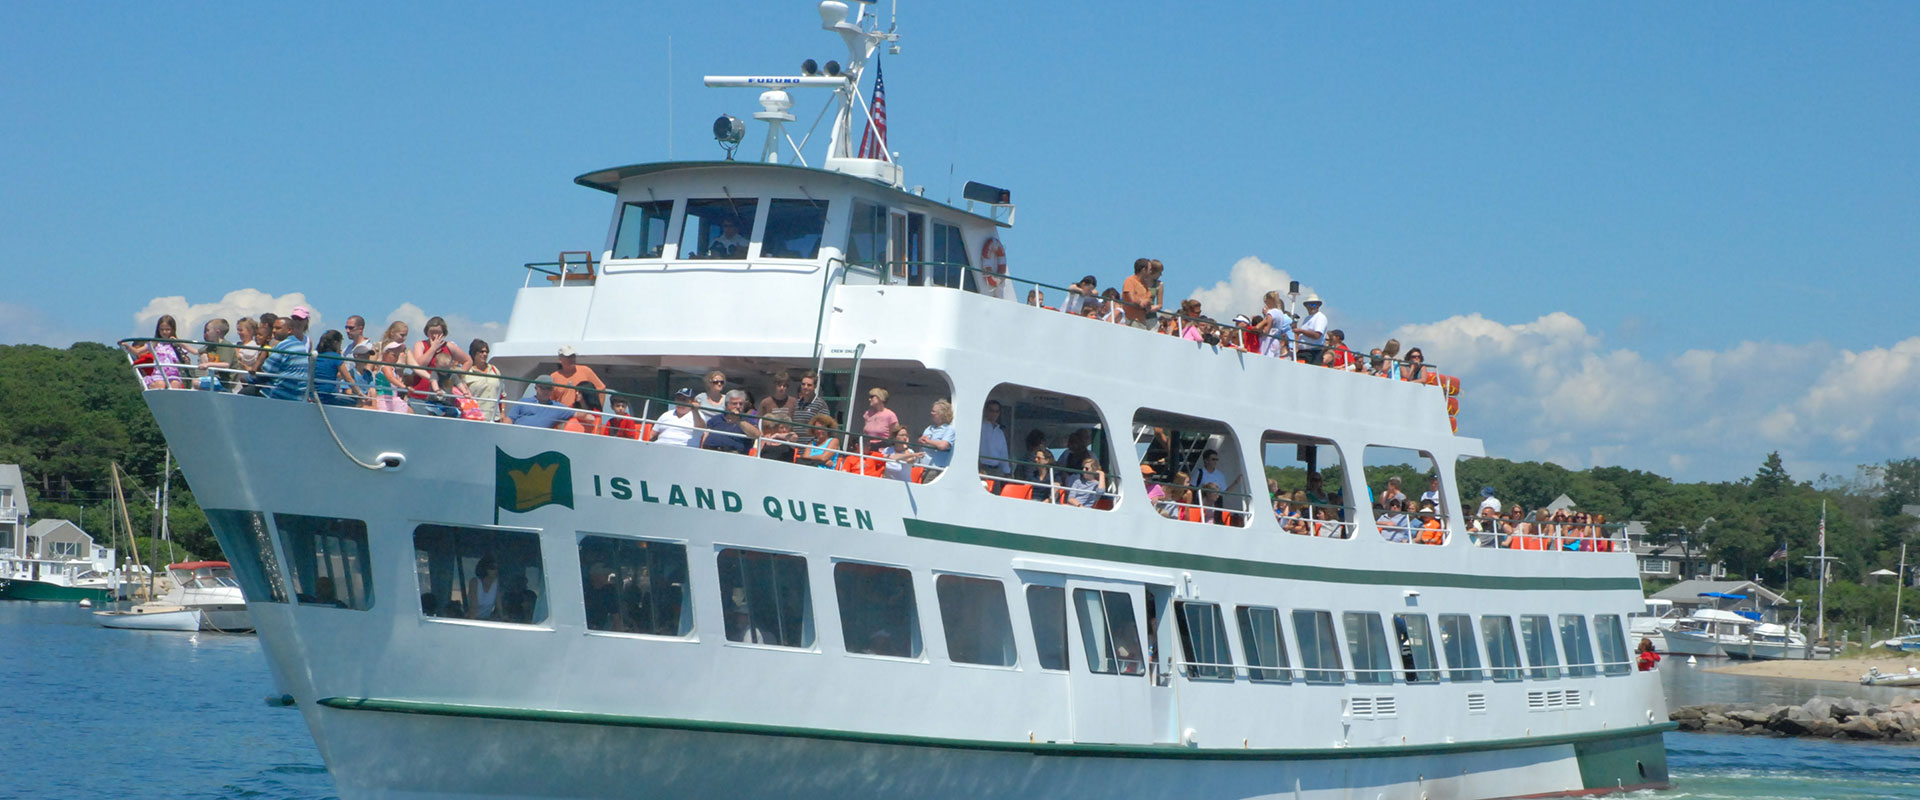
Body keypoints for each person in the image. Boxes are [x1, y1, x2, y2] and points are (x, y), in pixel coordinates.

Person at [261, 307, 314, 401]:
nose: (297, 321)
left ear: (306, 321)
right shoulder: (279, 340)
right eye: (294, 318)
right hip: (280, 379)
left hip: (293, 386)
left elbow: (308, 366)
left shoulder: (308, 341)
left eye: (300, 319)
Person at [127, 314, 191, 390]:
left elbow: (188, 357)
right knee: (160, 384)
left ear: (172, 330)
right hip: (159, 374)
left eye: (167, 329)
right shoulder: (155, 343)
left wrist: (185, 358)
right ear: (158, 330)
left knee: (175, 385)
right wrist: (127, 346)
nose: (164, 332)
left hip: (173, 374)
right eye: (162, 329)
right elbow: (137, 352)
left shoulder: (176, 344)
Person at [549, 346, 606, 410]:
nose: (572, 359)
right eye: (568, 357)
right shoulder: (554, 377)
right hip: (563, 415)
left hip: (584, 414)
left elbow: (601, 389)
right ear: (560, 359)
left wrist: (598, 411)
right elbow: (550, 399)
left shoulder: (585, 370)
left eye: (573, 356)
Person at [311, 330, 359, 406]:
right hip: (327, 397)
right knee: (356, 403)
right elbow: (348, 379)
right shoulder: (335, 357)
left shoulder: (316, 356)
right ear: (336, 343)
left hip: (313, 396)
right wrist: (360, 394)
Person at [462, 339, 505, 422]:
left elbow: (502, 395)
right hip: (474, 418)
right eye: (481, 352)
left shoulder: (494, 370)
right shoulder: (467, 372)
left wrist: (502, 412)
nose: (485, 354)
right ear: (474, 353)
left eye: (486, 352)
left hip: (494, 419)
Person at [506, 382, 573, 428]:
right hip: (517, 435)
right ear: (536, 388)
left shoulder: (557, 408)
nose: (546, 391)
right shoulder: (523, 401)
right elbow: (510, 418)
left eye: (549, 388)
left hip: (541, 443)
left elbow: (578, 413)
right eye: (543, 388)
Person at [917, 399, 956, 478]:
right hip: (921, 465)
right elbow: (922, 440)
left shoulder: (949, 429)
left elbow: (943, 445)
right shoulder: (930, 428)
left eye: (933, 411)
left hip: (935, 468)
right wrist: (920, 440)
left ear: (942, 414)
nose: (931, 413)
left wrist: (928, 441)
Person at [1120, 258, 1159, 329]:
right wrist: (1142, 302)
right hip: (1133, 320)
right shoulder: (1129, 281)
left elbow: (1150, 300)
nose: (1151, 272)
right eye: (1150, 269)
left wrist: (1145, 302)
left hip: (1143, 322)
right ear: (1144, 270)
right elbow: (1132, 299)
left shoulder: (1147, 284)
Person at [978, 400, 1011, 480]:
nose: (994, 414)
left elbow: (1004, 454)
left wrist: (1007, 472)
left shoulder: (1000, 432)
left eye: (996, 411)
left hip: (996, 471)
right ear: (986, 411)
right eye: (991, 411)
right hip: (981, 469)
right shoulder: (979, 427)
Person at [860, 387, 899, 455]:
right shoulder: (868, 413)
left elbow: (896, 435)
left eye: (872, 397)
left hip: (882, 450)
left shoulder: (890, 415)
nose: (869, 399)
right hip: (867, 447)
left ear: (881, 397)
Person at [1257, 291, 1293, 358]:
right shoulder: (1280, 313)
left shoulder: (1271, 313)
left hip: (1268, 341)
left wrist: (1256, 329)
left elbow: (1266, 329)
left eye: (1266, 301)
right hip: (1276, 341)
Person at [1294, 294, 1328, 364]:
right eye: (1309, 305)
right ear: (1306, 306)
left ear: (1318, 305)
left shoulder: (1320, 317)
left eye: (1314, 305)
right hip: (1302, 352)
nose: (1312, 307)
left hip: (1313, 353)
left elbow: (1317, 335)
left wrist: (1301, 331)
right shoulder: (1307, 318)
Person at [467, 555, 501, 620]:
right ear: (484, 568)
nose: (495, 571)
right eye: (492, 568)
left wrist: (503, 618)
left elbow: (499, 607)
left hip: (486, 621)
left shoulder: (496, 584)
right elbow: (473, 607)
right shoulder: (475, 582)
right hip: (472, 620)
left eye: (497, 568)